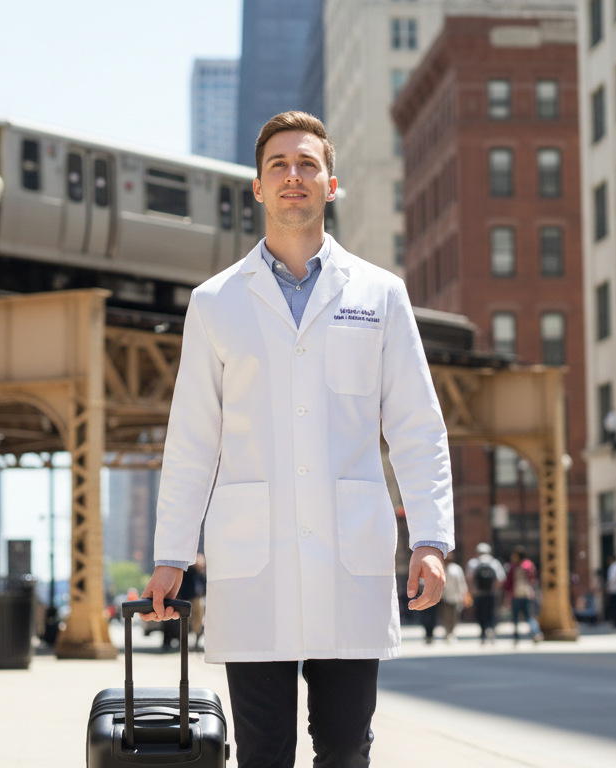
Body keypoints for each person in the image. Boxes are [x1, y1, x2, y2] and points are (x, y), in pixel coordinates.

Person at [139, 111, 454, 768]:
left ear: (330, 184)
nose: (293, 177)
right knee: (262, 754)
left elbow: (417, 426)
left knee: (345, 749)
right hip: (254, 562)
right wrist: (172, 553)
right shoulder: (216, 302)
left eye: (307, 164)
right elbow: (194, 438)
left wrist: (430, 539)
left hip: (350, 555)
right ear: (256, 187)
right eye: (279, 165)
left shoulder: (381, 295)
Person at [467, 543, 505, 643]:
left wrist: (473, 590)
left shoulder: (473, 563)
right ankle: (491, 629)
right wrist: (494, 588)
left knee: (480, 613)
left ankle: (483, 632)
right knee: (491, 613)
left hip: (478, 593)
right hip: (491, 593)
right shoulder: (494, 563)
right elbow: (501, 579)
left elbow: (469, 578)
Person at [504, 547, 541, 644]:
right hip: (527, 593)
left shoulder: (513, 566)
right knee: (529, 616)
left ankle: (516, 637)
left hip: (516, 594)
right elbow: (533, 580)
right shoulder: (529, 565)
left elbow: (509, 583)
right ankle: (535, 633)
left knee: (515, 617)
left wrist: (507, 595)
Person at [439, 550, 469, 642]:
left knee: (454, 616)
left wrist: (464, 595)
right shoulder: (440, 568)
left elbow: (461, 584)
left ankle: (451, 632)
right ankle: (447, 632)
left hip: (455, 597)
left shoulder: (456, 569)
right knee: (445, 616)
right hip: (444, 598)